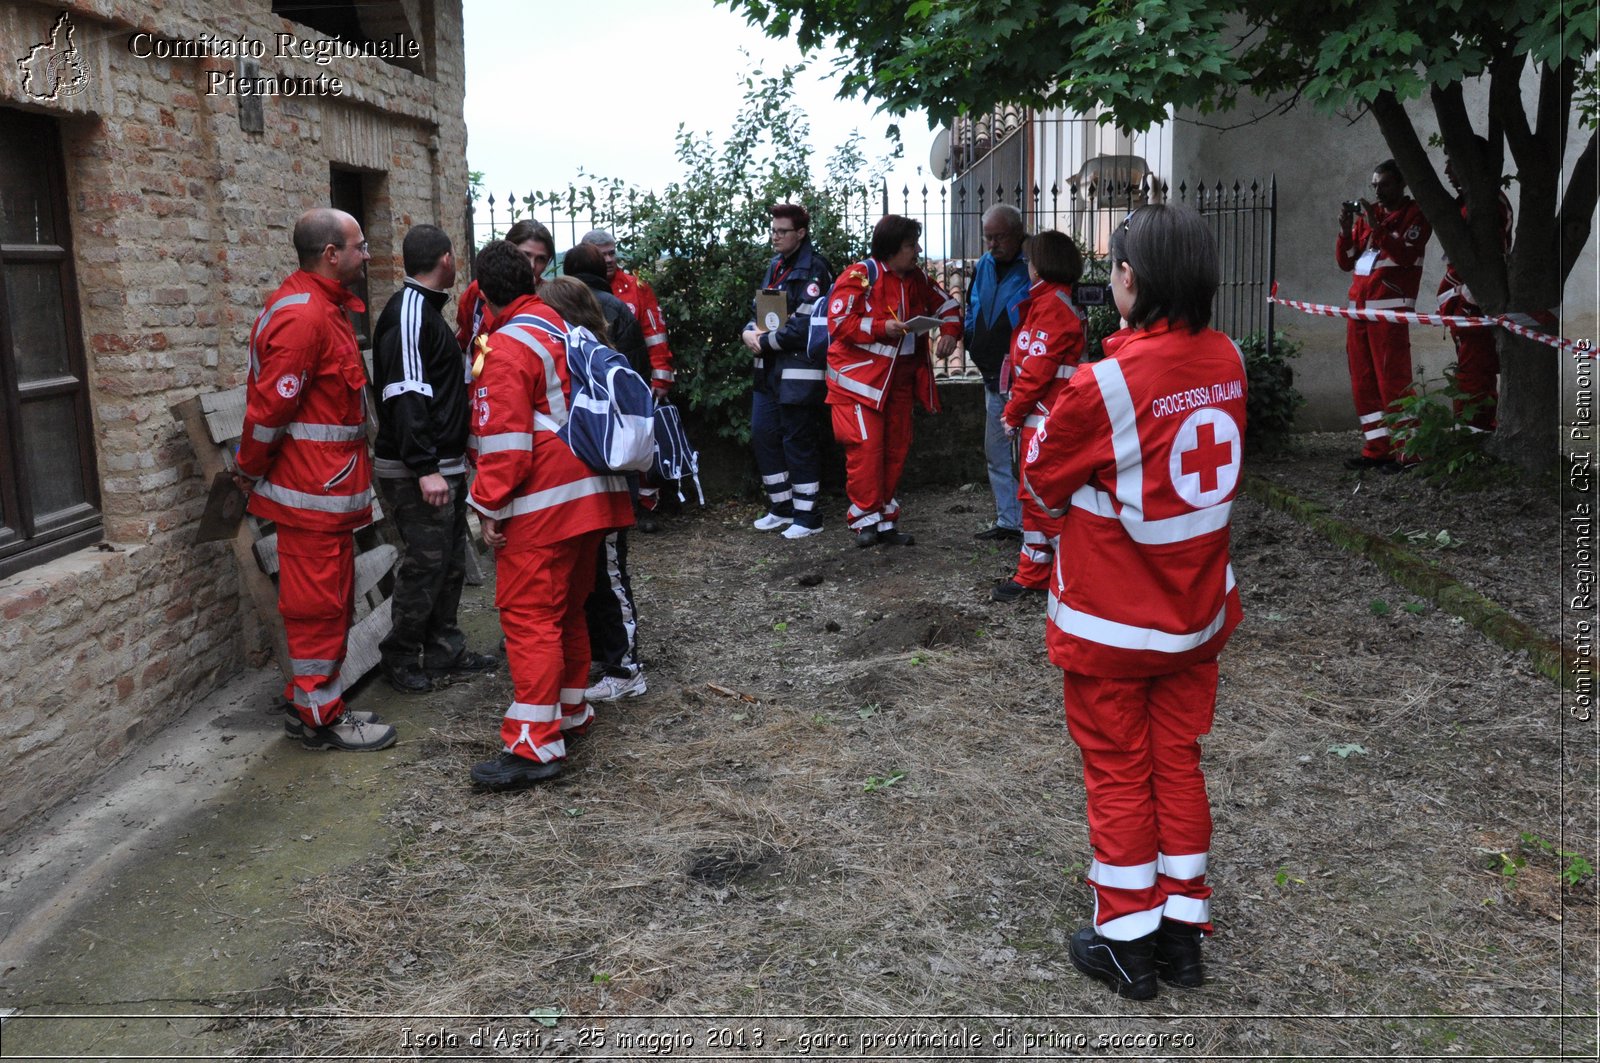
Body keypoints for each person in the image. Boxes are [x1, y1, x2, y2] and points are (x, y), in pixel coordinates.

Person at [1021, 205, 1246, 1000]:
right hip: (1196, 619)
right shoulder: (1230, 359)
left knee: (1118, 770)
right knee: (1178, 762)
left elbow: (1044, 475)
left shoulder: (1104, 383)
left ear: (1130, 280)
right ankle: (1183, 937)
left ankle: (1124, 941)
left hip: (1113, 627)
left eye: (1115, 265)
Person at [465, 243, 633, 791]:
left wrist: (486, 505)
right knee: (568, 610)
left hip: (545, 505)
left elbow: (507, 445)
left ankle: (535, 745)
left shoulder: (508, 346)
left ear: (484, 293)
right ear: (532, 280)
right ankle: (570, 712)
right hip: (592, 493)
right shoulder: (561, 328)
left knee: (530, 616)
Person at [234, 208, 395, 751]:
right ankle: (319, 718)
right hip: (310, 498)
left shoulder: (322, 308)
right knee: (317, 610)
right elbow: (269, 412)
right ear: (331, 254)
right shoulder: (305, 317)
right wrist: (246, 472)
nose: (368, 254)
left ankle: (318, 705)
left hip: (325, 493)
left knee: (328, 606)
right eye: (360, 244)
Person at [371, 224, 498, 694]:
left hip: (441, 465)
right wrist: (424, 468)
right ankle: (400, 657)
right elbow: (406, 396)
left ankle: (445, 650)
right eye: (454, 257)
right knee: (425, 564)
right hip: (417, 470)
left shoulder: (427, 310)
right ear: (445, 259)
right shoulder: (409, 313)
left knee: (448, 563)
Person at [538, 276, 650, 705]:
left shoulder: (586, 355)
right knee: (599, 579)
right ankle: (610, 659)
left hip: (606, 484)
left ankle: (627, 669)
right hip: (594, 486)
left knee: (611, 578)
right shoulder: (586, 351)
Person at [825, 214, 961, 547]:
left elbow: (949, 306)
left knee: (896, 450)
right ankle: (865, 521)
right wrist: (879, 328)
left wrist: (950, 333)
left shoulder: (917, 278)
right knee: (867, 451)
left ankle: (884, 521)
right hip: (859, 385)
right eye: (910, 245)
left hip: (897, 384)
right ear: (890, 249)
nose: (917, 250)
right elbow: (839, 322)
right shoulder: (860, 275)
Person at [993, 230, 1084, 603]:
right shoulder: (1048, 303)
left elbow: (1035, 370)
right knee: (1032, 497)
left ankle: (1078, 568)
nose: (1027, 267)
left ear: (1042, 264)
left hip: (1046, 417)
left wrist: (1012, 414)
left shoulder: (1053, 308)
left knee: (1040, 498)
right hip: (1042, 415)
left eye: (1031, 261)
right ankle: (1033, 574)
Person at [741, 203, 834, 538]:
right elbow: (761, 310)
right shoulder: (776, 265)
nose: (775, 236)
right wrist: (748, 331)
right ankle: (781, 507)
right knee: (764, 434)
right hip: (768, 370)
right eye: (773, 230)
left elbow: (806, 326)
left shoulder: (815, 270)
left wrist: (762, 342)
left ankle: (808, 516)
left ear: (801, 233)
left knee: (798, 439)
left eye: (782, 231)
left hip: (800, 371)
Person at [1336, 158, 1430, 470]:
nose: (1378, 191)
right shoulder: (1369, 216)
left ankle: (1409, 452)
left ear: (1401, 184)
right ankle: (1378, 448)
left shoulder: (1415, 214)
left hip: (1389, 314)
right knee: (1363, 383)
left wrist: (1378, 228)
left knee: (1394, 380)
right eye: (1374, 185)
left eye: (1384, 185)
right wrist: (1345, 230)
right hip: (1359, 313)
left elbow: (1404, 255)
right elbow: (1347, 262)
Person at [581, 228, 676, 530]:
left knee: (640, 443)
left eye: (612, 252)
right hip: (593, 383)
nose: (610, 259)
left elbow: (655, 332)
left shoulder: (637, 287)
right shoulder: (575, 290)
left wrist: (661, 377)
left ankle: (646, 505)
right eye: (602, 254)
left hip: (632, 381)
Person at [1436, 137, 1513, 432]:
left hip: (1474, 304)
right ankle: (1473, 433)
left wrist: (1467, 302)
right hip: (1464, 304)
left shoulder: (1488, 205)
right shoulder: (1472, 202)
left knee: (1475, 377)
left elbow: (1490, 262)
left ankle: (1475, 437)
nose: (1446, 171)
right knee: (1470, 374)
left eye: (1451, 163)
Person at [965, 204, 1031, 542]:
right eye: (987, 237)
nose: (991, 244)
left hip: (1024, 377)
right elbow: (971, 306)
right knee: (997, 451)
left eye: (998, 237)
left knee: (1026, 453)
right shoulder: (984, 265)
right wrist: (969, 337)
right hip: (992, 374)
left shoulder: (1033, 266)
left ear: (1018, 232)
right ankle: (1008, 521)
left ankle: (1031, 524)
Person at [456, 219, 554, 353]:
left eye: (541, 259)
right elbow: (464, 340)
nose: (531, 265)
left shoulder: (551, 297)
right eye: (525, 255)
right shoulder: (479, 290)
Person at [563, 243, 647, 370]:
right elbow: (633, 359)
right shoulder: (616, 307)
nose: (609, 260)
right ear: (600, 269)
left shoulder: (555, 303)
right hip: (610, 384)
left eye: (612, 253)